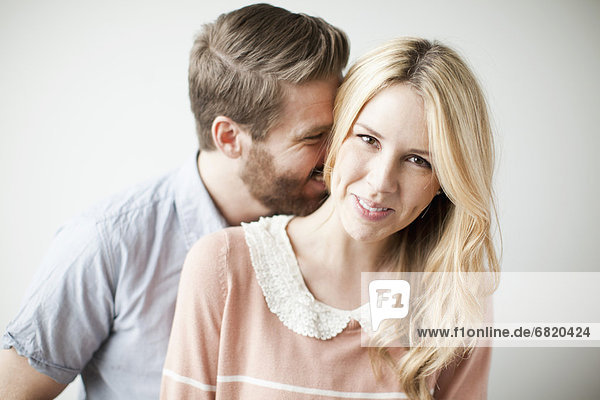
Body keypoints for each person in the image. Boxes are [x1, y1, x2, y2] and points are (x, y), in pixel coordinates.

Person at [0, 4, 349, 399]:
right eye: (312, 137)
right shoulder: (106, 242)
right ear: (230, 138)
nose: (338, 154)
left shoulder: (346, 220)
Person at [160, 37, 500, 400]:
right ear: (336, 135)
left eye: (419, 160)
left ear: (445, 182)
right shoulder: (223, 265)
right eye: (368, 139)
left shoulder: (456, 299)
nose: (380, 183)